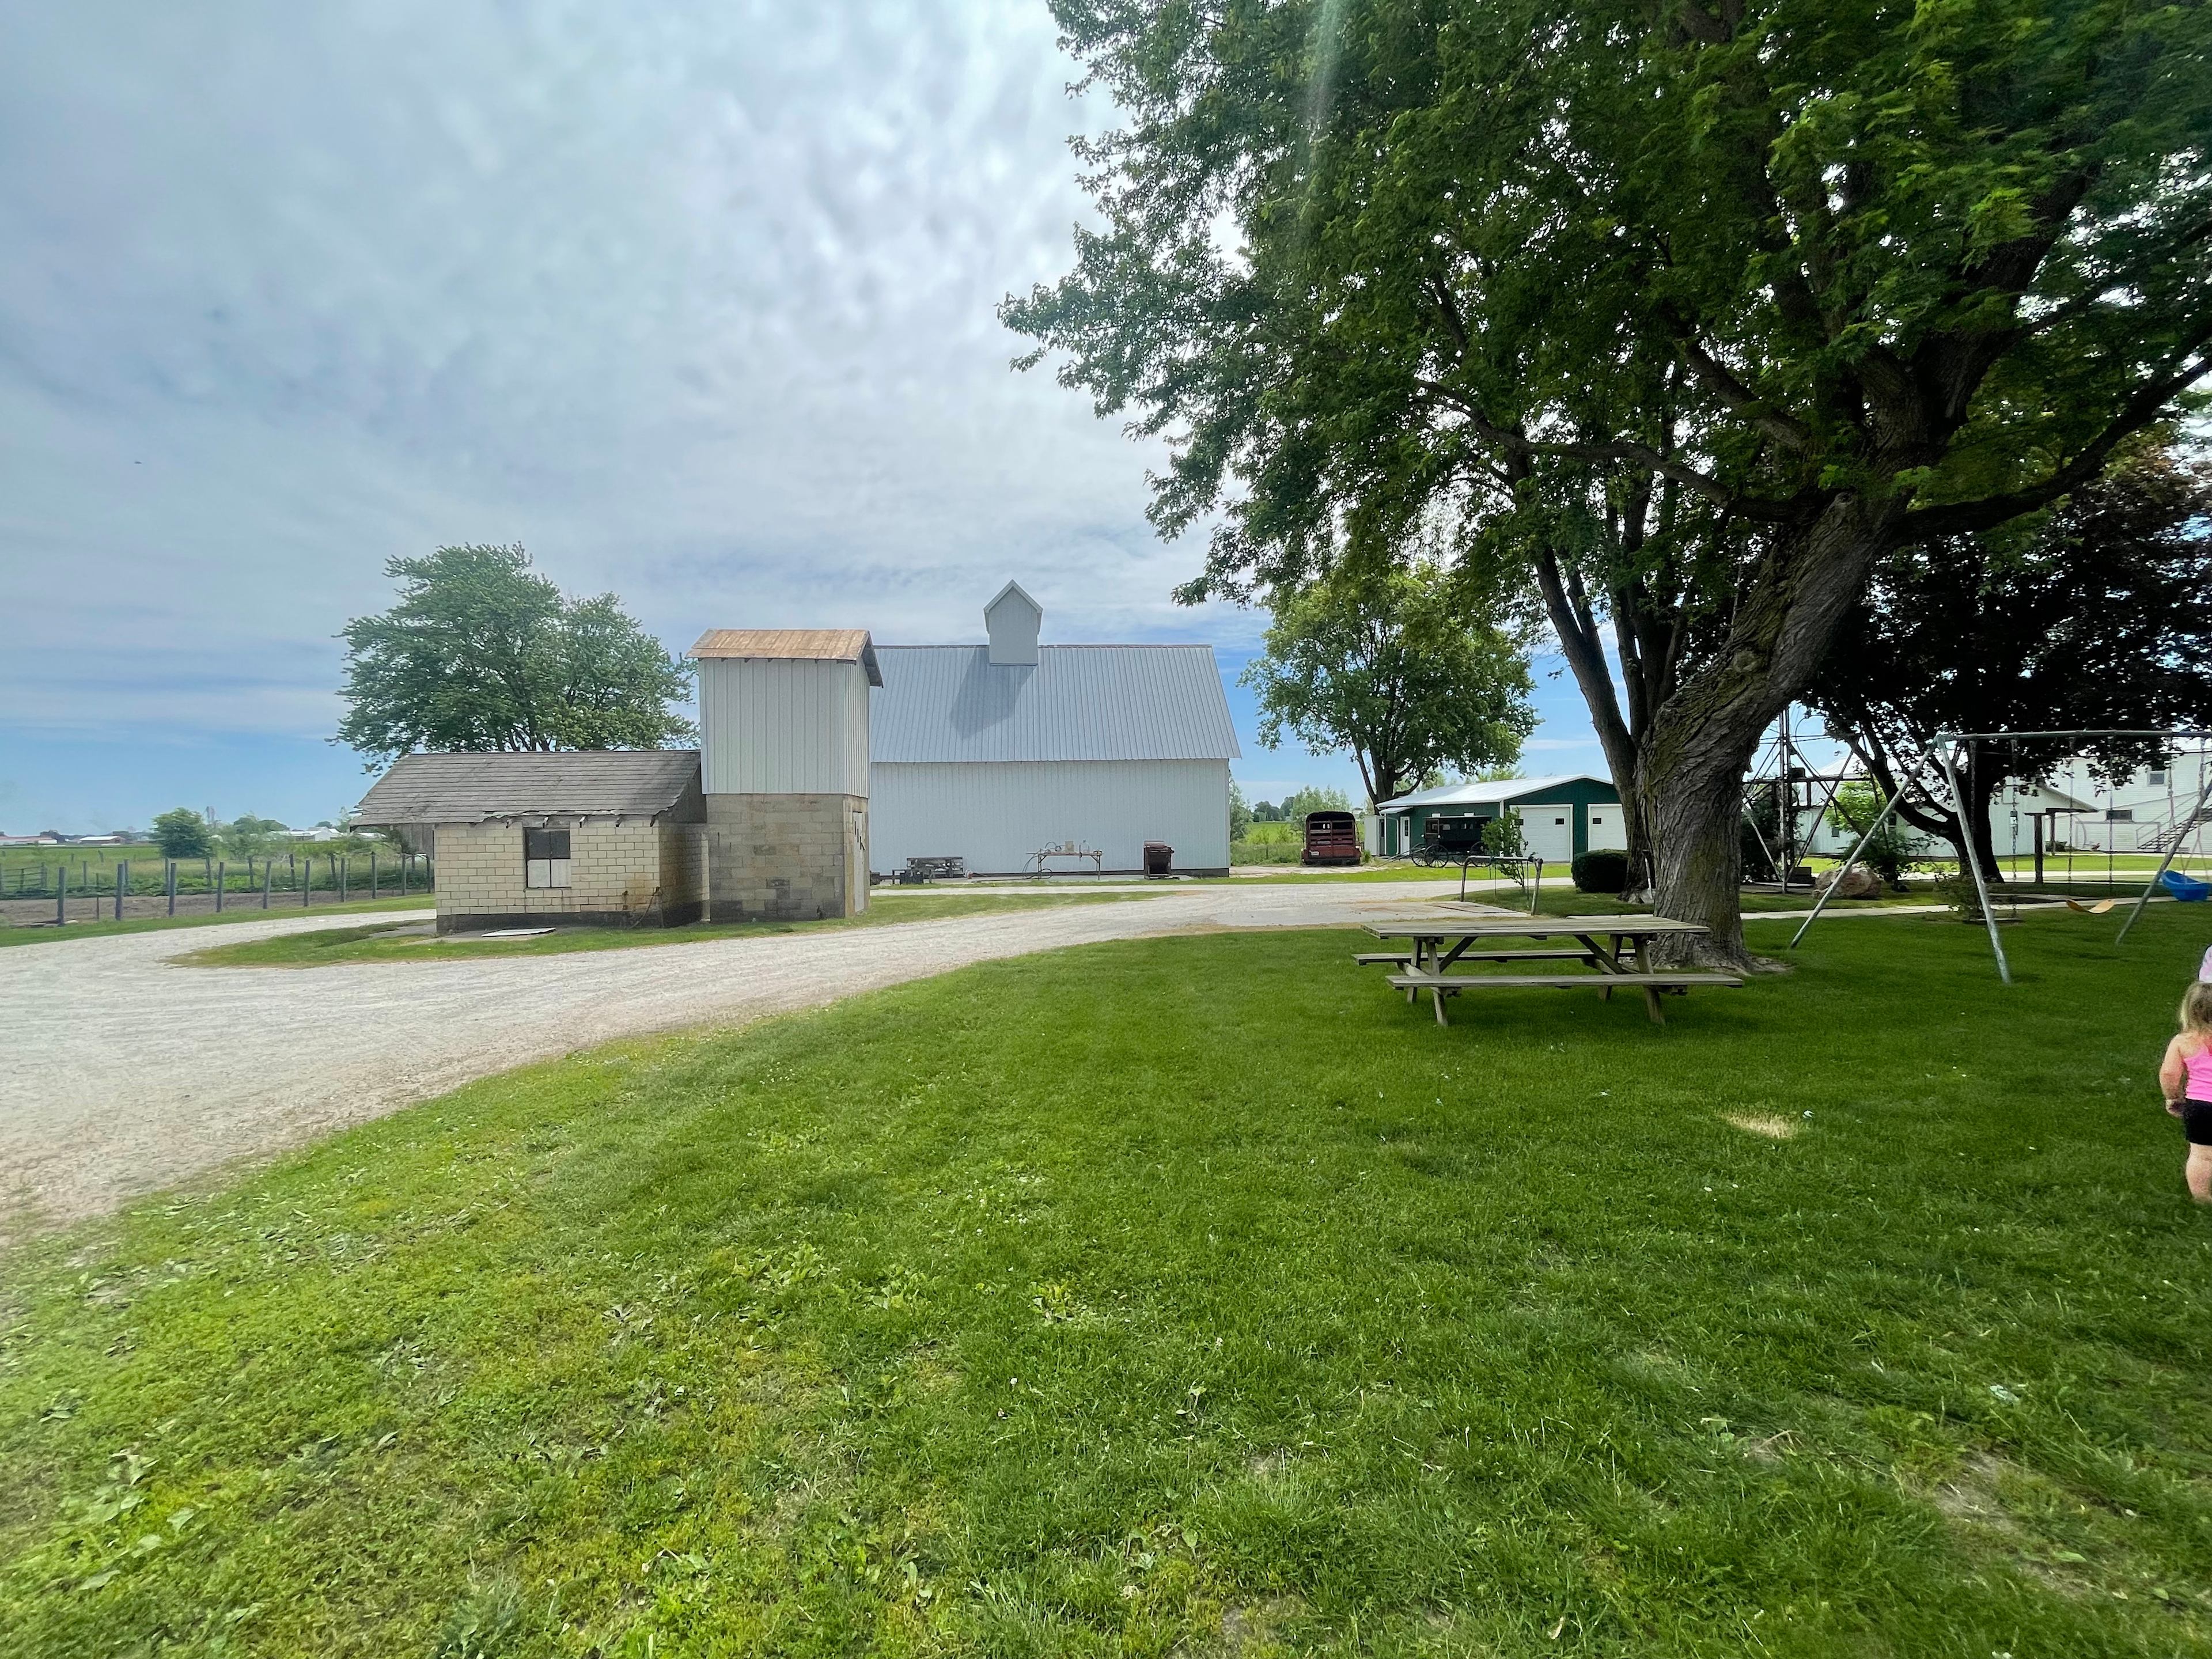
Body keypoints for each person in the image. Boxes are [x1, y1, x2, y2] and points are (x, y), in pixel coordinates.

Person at [2156, 980, 2212, 1204]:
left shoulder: (2182, 1042)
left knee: (2201, 1155)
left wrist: (2173, 1098)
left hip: (2199, 1107)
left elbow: (2169, 1074)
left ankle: (2202, 1198)